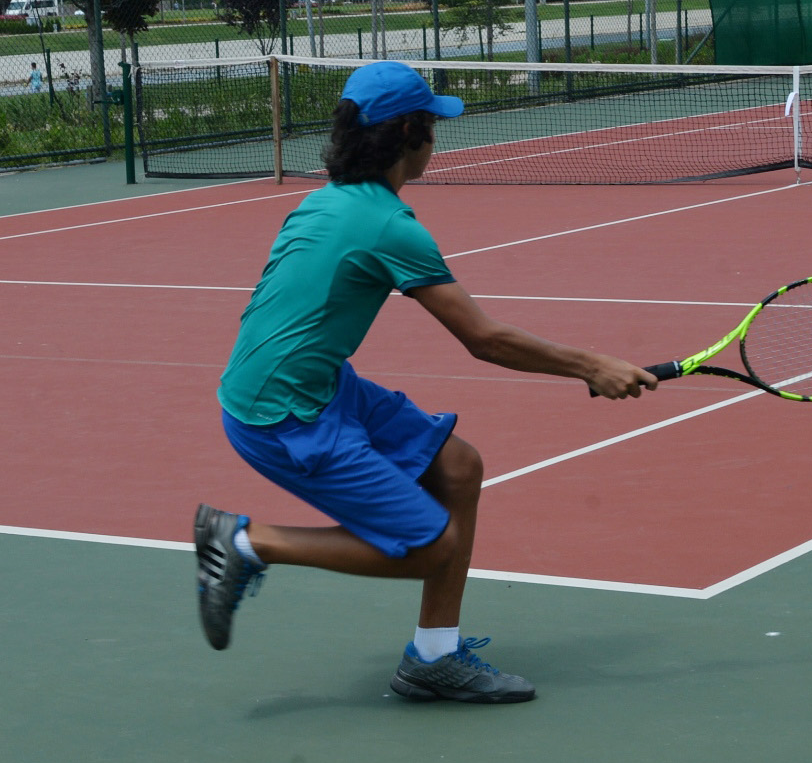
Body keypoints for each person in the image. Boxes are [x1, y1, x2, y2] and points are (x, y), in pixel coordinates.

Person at [196, 60, 657, 704]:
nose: (437, 138)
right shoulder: (388, 225)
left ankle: (434, 658)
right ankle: (248, 543)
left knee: (459, 468)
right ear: (409, 133)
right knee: (430, 547)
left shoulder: (328, 200)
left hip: (311, 385)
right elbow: (483, 338)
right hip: (283, 415)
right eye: (431, 125)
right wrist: (593, 366)